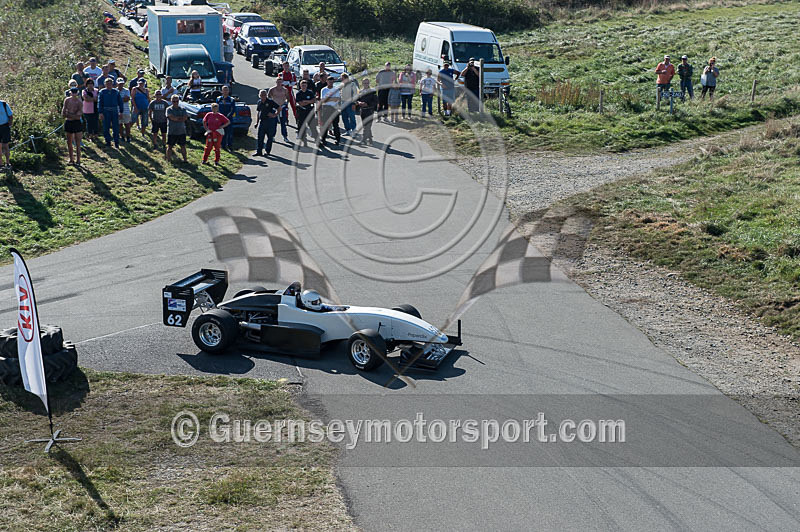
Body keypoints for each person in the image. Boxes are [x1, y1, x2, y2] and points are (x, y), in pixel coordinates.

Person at [98, 77, 122, 148]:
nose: (109, 85)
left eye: (110, 83)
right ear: (105, 84)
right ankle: (108, 141)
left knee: (115, 127)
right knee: (106, 127)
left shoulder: (116, 92)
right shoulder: (102, 92)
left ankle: (116, 142)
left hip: (114, 110)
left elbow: (120, 102)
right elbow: (100, 103)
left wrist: (121, 111)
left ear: (112, 84)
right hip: (106, 111)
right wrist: (100, 112)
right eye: (107, 83)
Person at [62, 87, 84, 165]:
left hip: (77, 123)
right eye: (72, 92)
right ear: (70, 92)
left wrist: (69, 114)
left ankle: (78, 160)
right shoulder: (67, 100)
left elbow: (78, 116)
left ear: (77, 93)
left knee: (78, 142)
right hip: (69, 122)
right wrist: (71, 115)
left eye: (75, 92)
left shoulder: (79, 102)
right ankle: (71, 159)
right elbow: (63, 113)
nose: (74, 94)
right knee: (69, 142)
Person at [254, 89, 279, 157]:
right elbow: (258, 112)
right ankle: (259, 151)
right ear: (259, 96)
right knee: (260, 137)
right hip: (262, 121)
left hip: (270, 121)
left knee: (270, 137)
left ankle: (267, 151)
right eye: (261, 95)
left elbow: (279, 108)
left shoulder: (270, 102)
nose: (263, 96)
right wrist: (257, 122)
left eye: (264, 95)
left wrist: (275, 115)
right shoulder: (259, 102)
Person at [319, 76, 341, 147]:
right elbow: (323, 100)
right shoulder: (323, 90)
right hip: (326, 108)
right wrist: (332, 99)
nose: (331, 83)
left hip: (334, 108)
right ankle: (323, 139)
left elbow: (337, 99)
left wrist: (328, 98)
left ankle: (338, 139)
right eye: (329, 81)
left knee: (335, 125)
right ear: (327, 82)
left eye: (332, 82)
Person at [166, 94, 188, 163]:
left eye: (177, 101)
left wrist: (176, 118)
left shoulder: (183, 109)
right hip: (172, 131)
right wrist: (179, 118)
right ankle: (168, 159)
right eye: (174, 101)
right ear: (171, 101)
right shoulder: (169, 109)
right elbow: (172, 118)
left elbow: (185, 118)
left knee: (183, 146)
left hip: (181, 131)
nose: (175, 103)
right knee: (170, 146)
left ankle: (185, 160)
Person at [267, 76, 290, 143]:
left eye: (280, 82)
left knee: (283, 123)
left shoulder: (285, 90)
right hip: (274, 108)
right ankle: (272, 136)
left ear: (282, 82)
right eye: (278, 82)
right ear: (276, 82)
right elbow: (269, 98)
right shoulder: (272, 89)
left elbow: (288, 98)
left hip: (282, 107)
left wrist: (285, 104)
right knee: (274, 123)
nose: (279, 83)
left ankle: (285, 136)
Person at [295, 79, 317, 146]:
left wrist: (306, 101)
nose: (304, 86)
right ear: (300, 86)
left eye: (305, 85)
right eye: (302, 85)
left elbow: (314, 100)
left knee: (312, 126)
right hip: (302, 111)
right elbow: (300, 103)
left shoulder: (310, 92)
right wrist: (308, 101)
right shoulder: (299, 93)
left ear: (307, 86)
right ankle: (304, 141)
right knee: (301, 126)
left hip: (309, 111)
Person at [356, 78, 377, 146]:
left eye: (367, 83)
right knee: (365, 125)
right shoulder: (360, 91)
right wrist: (359, 102)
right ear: (362, 84)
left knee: (367, 126)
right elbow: (357, 99)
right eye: (365, 83)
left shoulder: (372, 91)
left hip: (370, 110)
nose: (366, 84)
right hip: (362, 110)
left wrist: (367, 104)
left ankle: (363, 140)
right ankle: (370, 139)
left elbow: (376, 102)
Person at [216, 85, 236, 150]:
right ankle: (223, 146)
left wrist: (227, 117)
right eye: (224, 90)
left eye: (226, 90)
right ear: (222, 91)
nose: (225, 91)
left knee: (229, 133)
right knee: (222, 132)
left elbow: (233, 110)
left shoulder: (231, 100)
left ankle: (230, 146)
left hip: (228, 119)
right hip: (220, 120)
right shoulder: (218, 99)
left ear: (228, 91)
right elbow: (216, 108)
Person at [117, 77, 132, 142]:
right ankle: (122, 136)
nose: (121, 85)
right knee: (119, 125)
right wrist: (122, 99)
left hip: (126, 110)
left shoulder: (126, 90)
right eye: (119, 84)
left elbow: (127, 99)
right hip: (117, 110)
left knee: (127, 125)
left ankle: (128, 137)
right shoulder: (115, 91)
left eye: (122, 84)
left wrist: (119, 100)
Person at [0, 97, 12, 169]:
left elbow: (10, 116)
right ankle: (0, 164)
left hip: (5, 127)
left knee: (5, 145)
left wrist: (9, 126)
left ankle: (8, 163)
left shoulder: (3, 104)